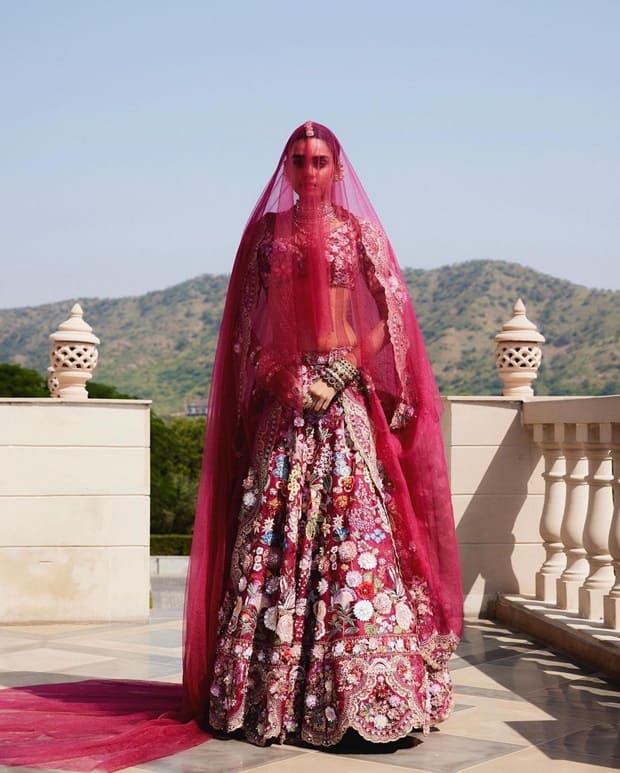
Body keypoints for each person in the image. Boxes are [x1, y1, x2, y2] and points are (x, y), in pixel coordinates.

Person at [183, 121, 463, 747]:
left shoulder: (356, 230)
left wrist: (343, 368)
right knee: (275, 540)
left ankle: (371, 694)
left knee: (356, 536)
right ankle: (272, 697)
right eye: (298, 160)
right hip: (287, 407)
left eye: (319, 161)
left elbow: (391, 312)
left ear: (337, 168)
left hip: (343, 402)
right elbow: (245, 334)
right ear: (284, 167)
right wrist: (281, 379)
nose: (308, 171)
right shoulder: (262, 240)